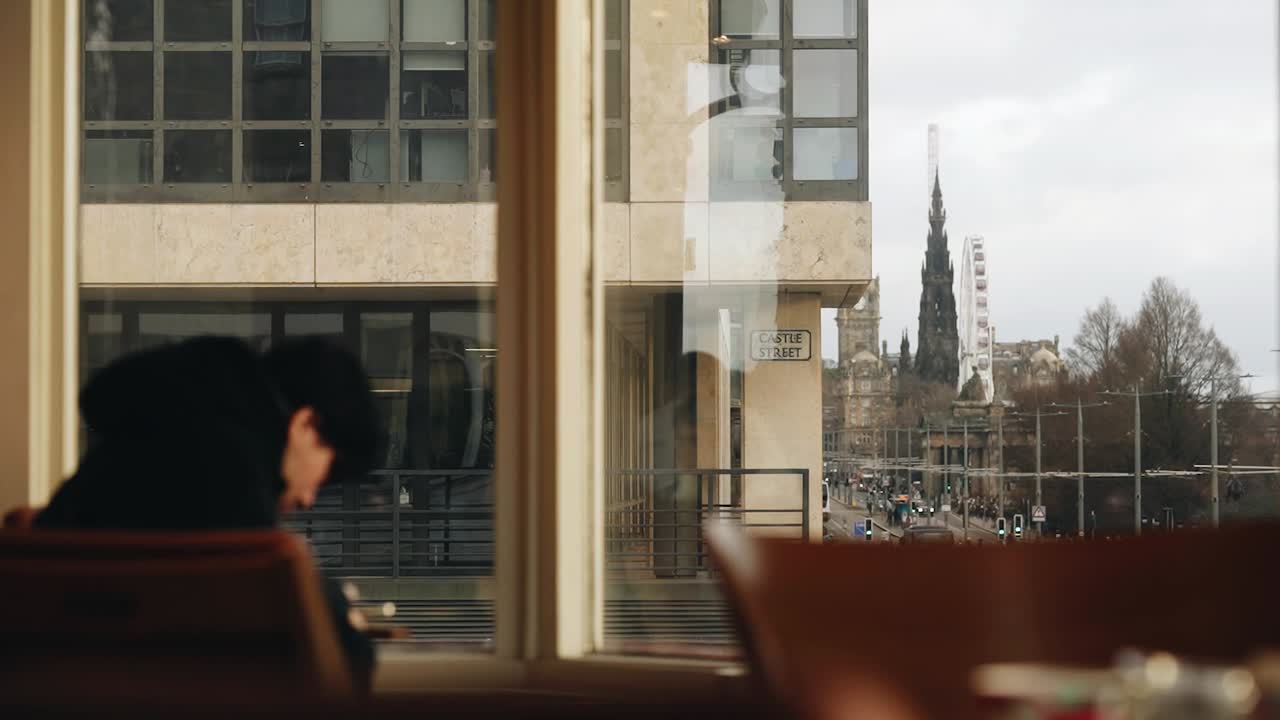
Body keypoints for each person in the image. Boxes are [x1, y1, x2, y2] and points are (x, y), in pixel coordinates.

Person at [35, 334, 381, 690]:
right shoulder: (232, 471)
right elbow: (336, 658)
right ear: (305, 426)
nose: (309, 497)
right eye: (329, 472)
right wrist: (343, 616)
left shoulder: (132, 446)